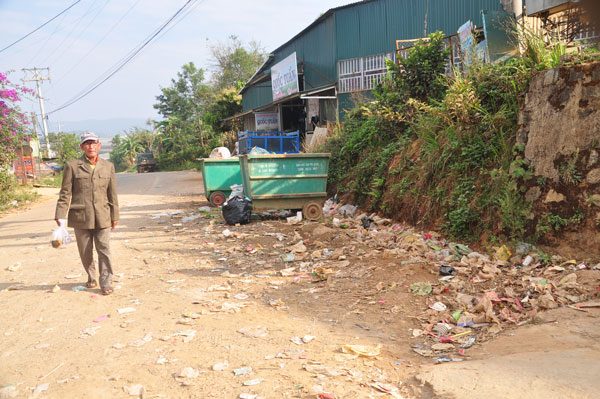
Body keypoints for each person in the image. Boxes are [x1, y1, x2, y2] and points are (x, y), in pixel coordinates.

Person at [55, 132, 119, 295]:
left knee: (104, 249)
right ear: (82, 147)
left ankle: (106, 282)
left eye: (93, 143)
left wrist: (115, 215)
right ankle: (91, 277)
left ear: (98, 146)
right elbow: (65, 193)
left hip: (103, 215)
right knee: (85, 250)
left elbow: (112, 194)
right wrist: (60, 215)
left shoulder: (108, 166)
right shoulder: (72, 166)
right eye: (87, 143)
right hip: (80, 216)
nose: (91, 146)